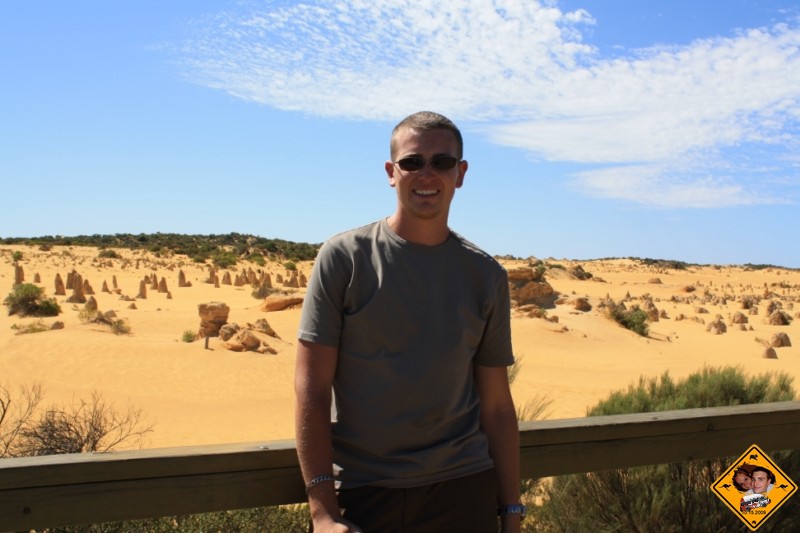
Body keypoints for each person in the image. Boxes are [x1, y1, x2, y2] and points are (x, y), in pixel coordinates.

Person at [295, 111, 522, 532]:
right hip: (365, 492)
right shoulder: (344, 258)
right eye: (412, 162)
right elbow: (311, 386)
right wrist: (323, 511)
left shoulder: (486, 275)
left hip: (463, 490)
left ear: (461, 173)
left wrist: (511, 509)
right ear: (391, 172)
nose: (427, 174)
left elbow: (496, 406)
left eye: (442, 162)